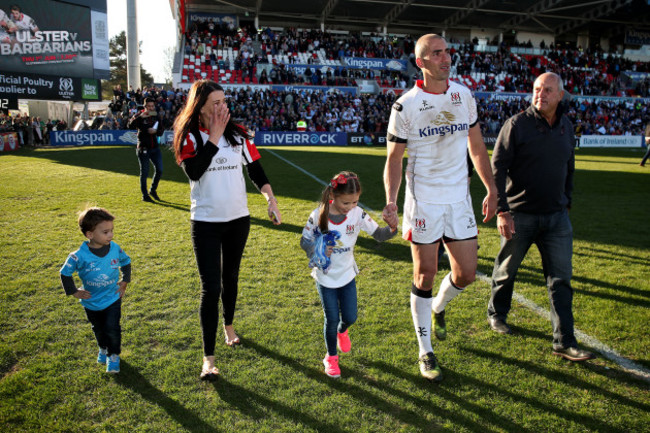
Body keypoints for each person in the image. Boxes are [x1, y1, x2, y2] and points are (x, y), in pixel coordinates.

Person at [382, 34, 497, 381]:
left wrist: (491, 188)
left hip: (458, 198)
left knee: (466, 274)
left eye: (447, 51)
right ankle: (426, 351)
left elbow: (476, 147)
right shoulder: (406, 105)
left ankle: (438, 307)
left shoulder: (464, 95)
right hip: (424, 201)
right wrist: (391, 200)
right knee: (425, 274)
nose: (446, 58)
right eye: (437, 53)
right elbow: (394, 159)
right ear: (422, 62)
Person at [172, 80, 282, 381]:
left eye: (224, 100)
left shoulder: (239, 133)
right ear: (201, 105)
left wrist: (270, 199)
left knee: (230, 277)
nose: (223, 106)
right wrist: (214, 137)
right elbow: (194, 172)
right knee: (211, 288)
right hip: (206, 222)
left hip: (238, 220)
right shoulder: (190, 135)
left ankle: (229, 325)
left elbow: (256, 170)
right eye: (216, 102)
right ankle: (208, 359)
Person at [488, 72, 595, 362]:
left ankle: (564, 341)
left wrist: (568, 200)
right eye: (537, 89)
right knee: (506, 270)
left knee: (561, 279)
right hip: (519, 215)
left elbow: (569, 166)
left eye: (548, 90)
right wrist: (502, 210)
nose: (541, 94)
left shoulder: (567, 127)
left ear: (560, 95)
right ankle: (497, 313)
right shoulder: (517, 125)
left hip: (556, 218)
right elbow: (497, 168)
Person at [301, 171, 397, 378]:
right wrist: (316, 248)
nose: (351, 207)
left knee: (350, 317)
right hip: (325, 277)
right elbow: (304, 241)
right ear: (333, 197)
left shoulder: (357, 213)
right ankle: (331, 358)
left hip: (347, 275)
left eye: (355, 202)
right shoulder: (319, 214)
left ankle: (343, 332)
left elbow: (379, 235)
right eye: (346, 203)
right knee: (331, 319)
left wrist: (392, 227)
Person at [59, 207, 131, 373]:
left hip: (112, 297)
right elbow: (64, 273)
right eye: (105, 232)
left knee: (112, 328)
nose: (111, 235)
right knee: (98, 328)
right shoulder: (78, 256)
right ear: (90, 234)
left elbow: (126, 261)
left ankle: (113, 356)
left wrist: (125, 280)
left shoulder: (115, 248)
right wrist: (74, 291)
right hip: (91, 301)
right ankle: (103, 348)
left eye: (112, 230)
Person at [128, 97, 164, 202]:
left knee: (160, 170)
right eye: (149, 106)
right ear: (145, 106)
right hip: (143, 148)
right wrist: (140, 117)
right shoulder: (139, 115)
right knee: (144, 172)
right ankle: (145, 195)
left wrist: (156, 132)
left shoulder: (156, 116)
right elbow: (130, 126)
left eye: (152, 106)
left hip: (155, 148)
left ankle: (153, 190)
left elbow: (161, 130)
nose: (151, 108)